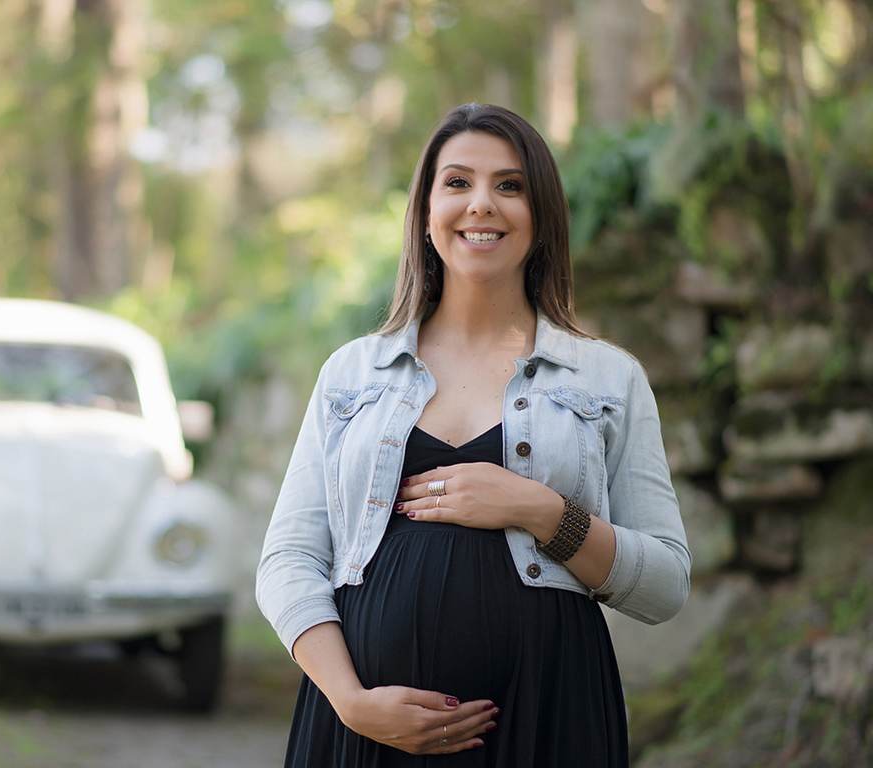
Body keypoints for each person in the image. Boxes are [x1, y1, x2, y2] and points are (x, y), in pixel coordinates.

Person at [255, 103, 691, 767]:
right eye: (457, 182)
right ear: (425, 213)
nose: (481, 203)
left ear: (541, 216)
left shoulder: (609, 378)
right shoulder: (351, 373)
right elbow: (288, 559)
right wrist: (350, 700)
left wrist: (539, 510)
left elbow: (664, 584)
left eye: (509, 185)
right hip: (362, 729)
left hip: (548, 718)